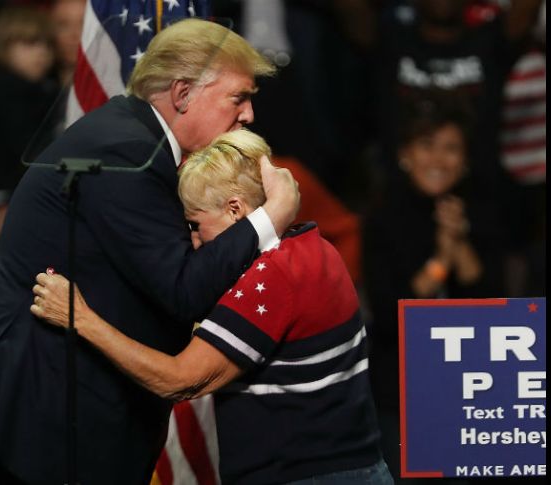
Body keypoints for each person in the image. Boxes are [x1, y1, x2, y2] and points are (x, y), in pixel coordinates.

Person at [0, 18, 299, 485]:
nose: (248, 114)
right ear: (184, 94)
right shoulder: (127, 153)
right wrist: (271, 216)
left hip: (56, 409)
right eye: (238, 97)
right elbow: (184, 291)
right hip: (37, 414)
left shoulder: (131, 138)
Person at [31, 129, 392, 485]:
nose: (192, 241)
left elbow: (179, 380)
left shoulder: (272, 276)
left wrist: (79, 317)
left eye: (195, 223)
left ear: (236, 210)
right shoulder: (315, 247)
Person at [362, 94, 504, 484]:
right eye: (427, 146)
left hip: (475, 383)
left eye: (451, 148)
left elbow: (496, 306)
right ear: (406, 154)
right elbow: (392, 316)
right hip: (403, 386)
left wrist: (458, 243)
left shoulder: (484, 210)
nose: (438, 160)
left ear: (466, 159)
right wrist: (441, 260)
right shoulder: (383, 218)